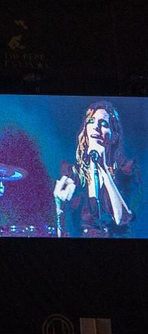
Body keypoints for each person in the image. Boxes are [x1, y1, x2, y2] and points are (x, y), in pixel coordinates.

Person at [52, 100, 137, 238]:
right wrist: (59, 206)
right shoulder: (72, 173)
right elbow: (63, 235)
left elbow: (123, 219)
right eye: (91, 121)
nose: (96, 126)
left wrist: (102, 167)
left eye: (103, 124)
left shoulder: (127, 171)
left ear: (114, 136)